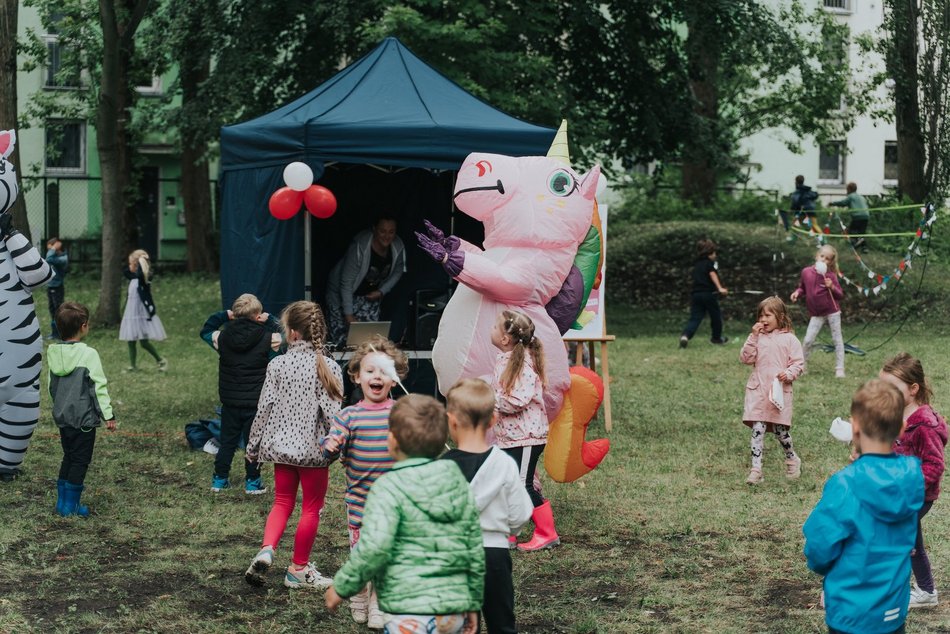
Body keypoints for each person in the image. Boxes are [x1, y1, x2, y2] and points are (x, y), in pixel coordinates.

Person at [324, 394, 484, 634]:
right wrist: (473, 599)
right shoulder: (454, 479)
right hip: (453, 604)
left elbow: (375, 548)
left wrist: (342, 586)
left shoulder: (387, 487)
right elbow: (472, 542)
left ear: (392, 441)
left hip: (408, 609)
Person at [803, 379, 924, 634]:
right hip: (893, 610)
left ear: (855, 428)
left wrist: (823, 568)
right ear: (902, 428)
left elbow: (819, 546)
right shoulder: (913, 476)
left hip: (850, 612)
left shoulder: (845, 485)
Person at [243, 300, 344, 590]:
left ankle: (267, 549)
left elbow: (264, 408)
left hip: (281, 449)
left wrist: (253, 447)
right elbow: (334, 417)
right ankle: (297, 569)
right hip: (314, 453)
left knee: (282, 501)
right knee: (311, 509)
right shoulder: (329, 367)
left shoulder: (277, 364)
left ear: (292, 333)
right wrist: (339, 448)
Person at [321, 335, 408, 628]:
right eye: (371, 371)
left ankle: (377, 604)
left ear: (394, 380)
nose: (377, 377)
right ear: (357, 376)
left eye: (384, 371)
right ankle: (359, 595)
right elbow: (331, 447)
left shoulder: (400, 414)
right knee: (361, 556)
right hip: (359, 502)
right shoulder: (348, 416)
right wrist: (331, 447)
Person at [443, 378, 533, 634]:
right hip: (494, 553)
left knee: (458, 625)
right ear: (493, 420)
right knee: (501, 622)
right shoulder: (503, 464)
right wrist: (505, 528)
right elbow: (521, 513)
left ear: (452, 420)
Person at [880, 353, 947, 608]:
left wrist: (907, 485)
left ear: (913, 388)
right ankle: (926, 591)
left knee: (891, 535)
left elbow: (934, 465)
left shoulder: (924, 426)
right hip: (899, 493)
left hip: (916, 495)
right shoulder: (898, 415)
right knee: (911, 540)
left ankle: (890, 588)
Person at [490, 309, 559, 552]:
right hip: (511, 437)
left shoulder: (522, 364)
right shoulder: (505, 360)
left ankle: (547, 532)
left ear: (505, 339)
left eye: (494, 327)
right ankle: (509, 533)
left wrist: (491, 401)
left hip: (527, 437)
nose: (491, 330)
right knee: (507, 483)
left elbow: (517, 399)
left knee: (522, 484)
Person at [200, 293, 281, 494]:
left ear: (234, 314)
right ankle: (253, 482)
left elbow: (206, 330)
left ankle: (219, 480)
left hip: (230, 402)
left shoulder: (222, 337)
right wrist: (270, 320)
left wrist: (224, 316)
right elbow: (287, 336)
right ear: (257, 315)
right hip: (256, 403)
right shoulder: (270, 339)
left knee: (227, 442)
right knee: (253, 444)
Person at [48, 301, 116, 516]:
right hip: (83, 419)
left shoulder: (53, 352)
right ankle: (71, 507)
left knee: (69, 456)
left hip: (63, 417)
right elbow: (98, 387)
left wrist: (60, 406)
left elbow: (52, 387)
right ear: (84, 326)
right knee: (80, 460)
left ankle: (61, 503)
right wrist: (108, 414)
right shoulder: (88, 354)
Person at [740, 296, 804, 485]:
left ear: (780, 316)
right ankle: (756, 470)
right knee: (757, 430)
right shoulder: (757, 338)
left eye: (768, 315)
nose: (763, 320)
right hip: (758, 391)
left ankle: (792, 458)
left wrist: (789, 373)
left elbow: (798, 364)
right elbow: (745, 358)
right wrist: (752, 337)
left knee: (780, 431)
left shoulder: (790, 340)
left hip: (778, 395)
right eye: (761, 316)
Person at [326, 216, 406, 346]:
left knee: (369, 341)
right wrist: (348, 315)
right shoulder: (360, 247)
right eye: (382, 231)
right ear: (374, 229)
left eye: (391, 232)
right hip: (341, 295)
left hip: (368, 296)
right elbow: (346, 282)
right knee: (341, 341)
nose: (387, 236)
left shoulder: (398, 246)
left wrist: (381, 291)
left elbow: (398, 272)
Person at [790, 245, 846, 378]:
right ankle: (802, 366)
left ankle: (839, 368)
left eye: (827, 259)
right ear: (817, 256)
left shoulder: (831, 275)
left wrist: (831, 286)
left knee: (837, 340)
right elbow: (802, 288)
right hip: (816, 314)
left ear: (831, 262)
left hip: (832, 311)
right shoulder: (806, 272)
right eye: (822, 256)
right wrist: (797, 293)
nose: (824, 260)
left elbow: (840, 295)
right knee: (808, 340)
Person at [119, 249, 167, 371]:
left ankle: (160, 360)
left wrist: (141, 261)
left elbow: (141, 275)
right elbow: (126, 272)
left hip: (140, 311)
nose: (130, 266)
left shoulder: (144, 278)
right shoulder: (132, 277)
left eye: (132, 264)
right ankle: (133, 365)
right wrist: (132, 264)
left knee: (143, 342)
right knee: (131, 340)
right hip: (131, 311)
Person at [679, 239, 729, 349]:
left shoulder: (697, 264)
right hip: (708, 294)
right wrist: (720, 288)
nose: (715, 255)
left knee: (695, 318)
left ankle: (685, 335)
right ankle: (716, 338)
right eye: (714, 253)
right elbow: (712, 275)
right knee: (716, 317)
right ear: (709, 253)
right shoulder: (709, 264)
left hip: (696, 295)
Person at [829, 182, 869, 252]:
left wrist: (832, 203)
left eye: (847, 189)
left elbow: (843, 203)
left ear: (849, 189)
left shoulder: (851, 196)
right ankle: (864, 248)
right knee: (861, 233)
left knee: (851, 231)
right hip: (866, 216)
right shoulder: (861, 197)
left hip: (857, 216)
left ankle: (855, 245)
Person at [783, 175, 820, 241]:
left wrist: (791, 210)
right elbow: (815, 196)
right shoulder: (808, 190)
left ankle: (793, 239)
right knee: (814, 225)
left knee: (795, 225)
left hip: (801, 211)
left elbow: (795, 202)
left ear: (796, 182)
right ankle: (822, 240)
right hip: (810, 210)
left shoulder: (797, 192)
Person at [45, 237, 68, 340]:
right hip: (50, 286)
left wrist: (52, 249)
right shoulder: (54, 256)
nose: (49, 251)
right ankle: (54, 333)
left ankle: (60, 333)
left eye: (52, 249)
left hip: (57, 286)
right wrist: (52, 249)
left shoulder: (63, 258)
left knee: (58, 310)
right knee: (52, 309)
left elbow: (48, 259)